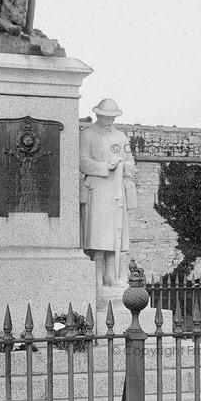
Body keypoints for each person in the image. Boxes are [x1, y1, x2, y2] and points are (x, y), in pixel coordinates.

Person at [79, 99, 137, 291]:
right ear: (98, 115)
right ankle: (96, 280)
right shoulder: (87, 135)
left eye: (113, 117)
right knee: (97, 236)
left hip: (116, 191)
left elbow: (131, 163)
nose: (109, 120)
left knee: (115, 236)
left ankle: (112, 278)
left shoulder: (121, 137)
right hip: (97, 190)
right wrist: (106, 166)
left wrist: (122, 164)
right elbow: (82, 163)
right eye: (106, 117)